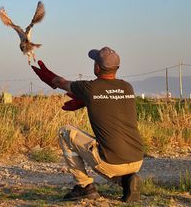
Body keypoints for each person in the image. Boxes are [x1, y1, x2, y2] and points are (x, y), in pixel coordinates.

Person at [32, 46, 144, 202]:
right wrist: (86, 100)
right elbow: (108, 99)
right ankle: (127, 181)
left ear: (97, 67)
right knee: (110, 157)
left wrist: (48, 76)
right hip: (137, 159)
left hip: (112, 162)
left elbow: (61, 82)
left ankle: (84, 186)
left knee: (65, 132)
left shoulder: (89, 88)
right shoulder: (127, 87)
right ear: (116, 68)